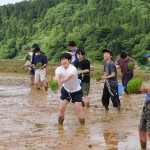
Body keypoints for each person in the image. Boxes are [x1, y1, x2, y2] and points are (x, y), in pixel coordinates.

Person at [54, 52, 85, 126]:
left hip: (76, 91)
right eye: (61, 60)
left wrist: (61, 81)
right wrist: (56, 80)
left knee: (78, 109)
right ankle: (60, 126)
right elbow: (57, 76)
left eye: (65, 59)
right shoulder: (58, 69)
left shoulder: (73, 69)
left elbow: (68, 77)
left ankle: (82, 127)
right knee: (61, 108)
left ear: (70, 60)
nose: (63, 61)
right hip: (66, 90)